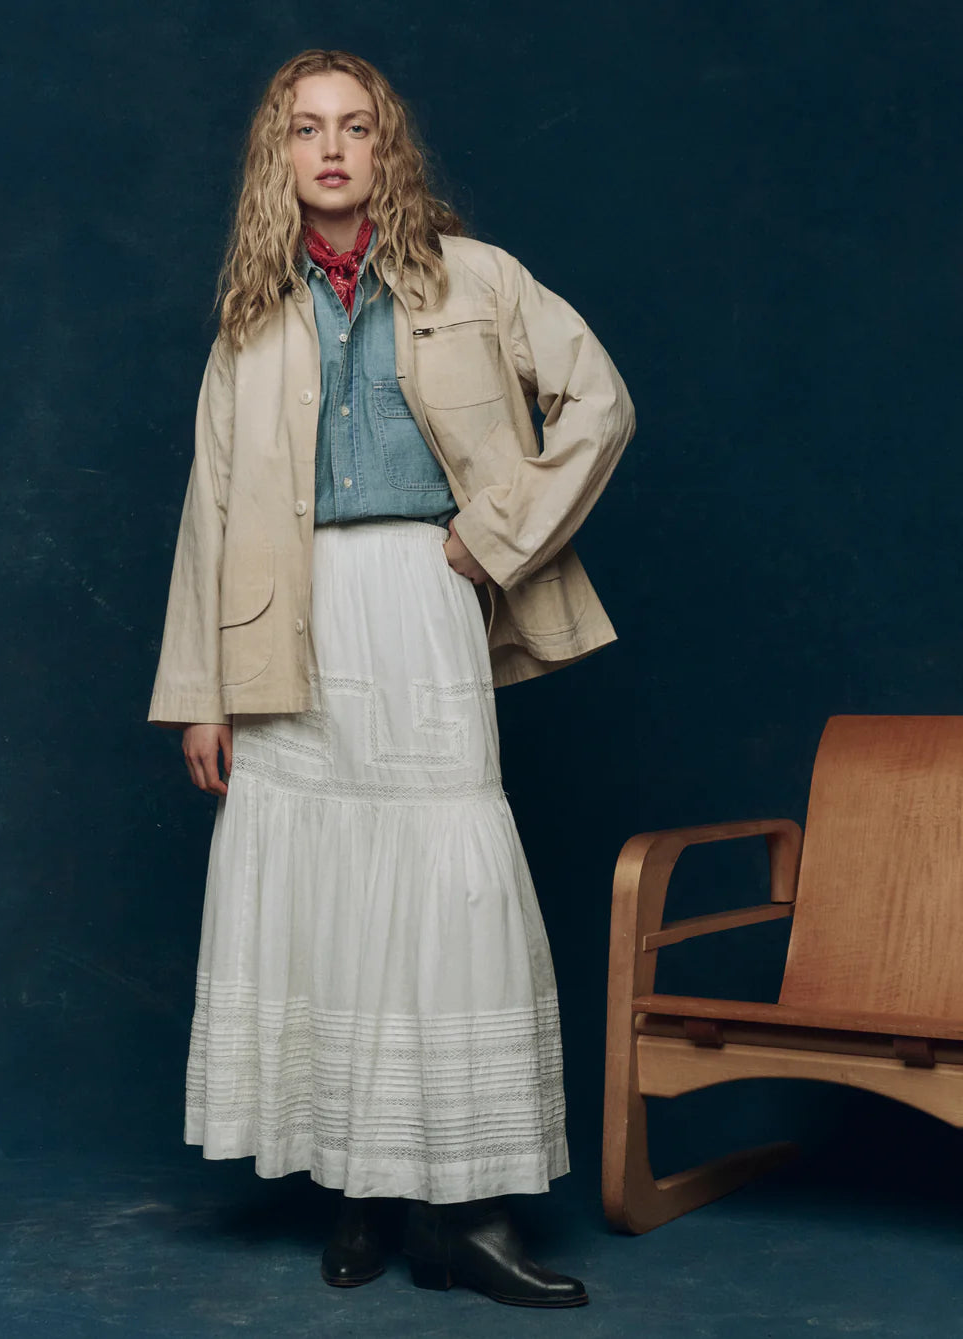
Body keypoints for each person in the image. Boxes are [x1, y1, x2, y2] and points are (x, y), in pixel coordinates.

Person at [148, 48, 635, 1309]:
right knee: (328, 907)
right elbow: (210, 507)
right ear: (279, 156)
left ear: (385, 148)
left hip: (422, 599)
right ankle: (363, 1191)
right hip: (284, 629)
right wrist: (200, 691)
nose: (331, 148)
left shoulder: (477, 278)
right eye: (306, 129)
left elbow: (599, 401)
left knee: (442, 880)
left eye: (355, 127)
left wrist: (496, 534)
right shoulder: (252, 318)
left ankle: (466, 1215)